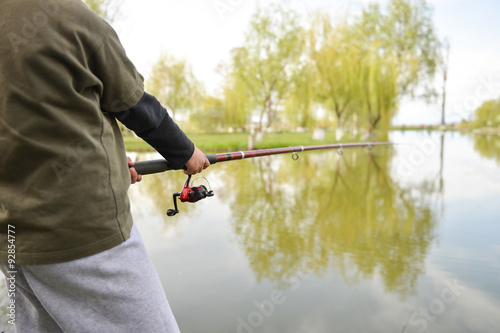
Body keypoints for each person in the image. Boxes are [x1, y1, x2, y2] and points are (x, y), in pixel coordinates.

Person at [0, 0, 209, 332]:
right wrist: (187, 153)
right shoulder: (71, 16)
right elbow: (135, 106)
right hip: (83, 230)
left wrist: (106, 163)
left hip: (11, 239)